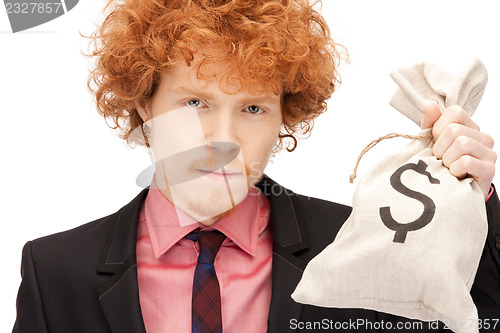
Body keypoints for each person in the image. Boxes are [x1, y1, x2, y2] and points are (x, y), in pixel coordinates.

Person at [12, 0, 499, 332]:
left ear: (283, 116)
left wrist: (473, 202)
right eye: (195, 103)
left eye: (252, 109)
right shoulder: (54, 271)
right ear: (145, 105)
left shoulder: (359, 243)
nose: (223, 140)